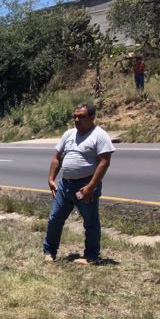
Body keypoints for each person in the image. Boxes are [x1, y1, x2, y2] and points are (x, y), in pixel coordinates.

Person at [42, 102, 114, 264]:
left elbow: (104, 162)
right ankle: (49, 252)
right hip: (65, 185)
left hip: (86, 185)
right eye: (74, 116)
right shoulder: (69, 134)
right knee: (55, 218)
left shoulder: (99, 135)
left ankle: (91, 256)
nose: (76, 120)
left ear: (92, 117)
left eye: (81, 116)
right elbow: (57, 158)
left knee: (90, 222)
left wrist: (91, 187)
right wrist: (51, 179)